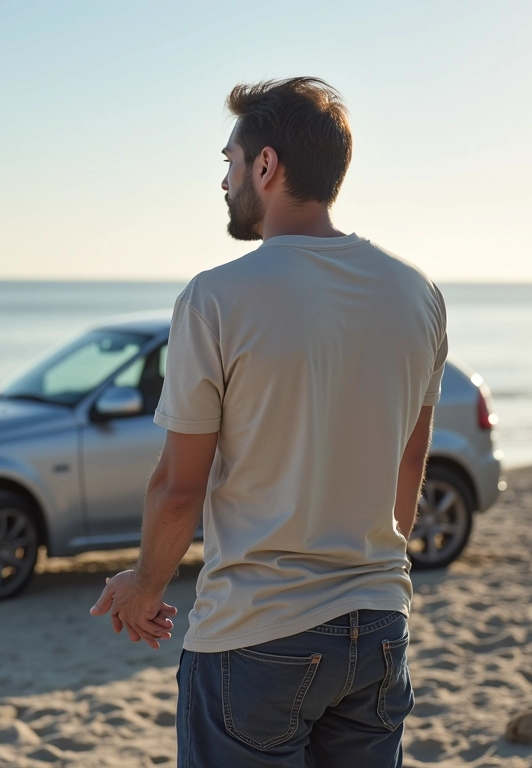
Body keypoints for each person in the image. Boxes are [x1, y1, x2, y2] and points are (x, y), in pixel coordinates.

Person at [90, 76, 447, 767]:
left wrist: (143, 586)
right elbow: (409, 463)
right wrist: (376, 572)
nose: (224, 180)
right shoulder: (418, 293)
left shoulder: (215, 298)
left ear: (266, 165)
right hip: (379, 627)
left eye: (229, 161)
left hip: (257, 638)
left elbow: (178, 486)